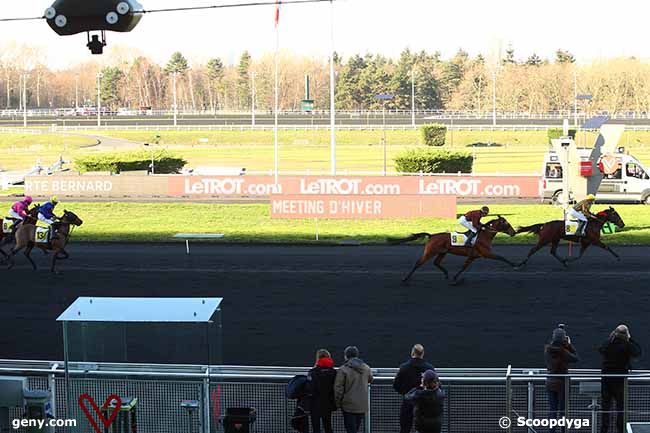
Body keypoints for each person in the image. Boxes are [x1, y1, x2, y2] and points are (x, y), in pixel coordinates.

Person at [599, 325, 642, 433]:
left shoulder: (608, 343)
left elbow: (601, 349)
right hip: (620, 380)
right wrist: (630, 338)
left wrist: (611, 336)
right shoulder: (627, 345)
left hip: (606, 379)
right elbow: (637, 352)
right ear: (626, 334)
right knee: (620, 409)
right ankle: (620, 430)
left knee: (605, 408)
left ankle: (604, 430)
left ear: (615, 332)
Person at [393, 344, 435, 433]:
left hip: (408, 402)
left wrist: (405, 393)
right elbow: (435, 386)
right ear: (422, 354)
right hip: (425, 404)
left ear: (412, 352)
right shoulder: (429, 368)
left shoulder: (404, 367)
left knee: (405, 428)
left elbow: (396, 385)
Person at [544, 326, 579, 432]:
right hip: (563, 383)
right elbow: (576, 358)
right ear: (563, 339)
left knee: (552, 410)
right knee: (563, 411)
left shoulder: (548, 350)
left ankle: (552, 431)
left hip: (550, 382)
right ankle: (563, 430)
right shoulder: (563, 351)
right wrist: (569, 344)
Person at [334, 346, 373, 433]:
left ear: (346, 356)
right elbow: (370, 379)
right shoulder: (366, 368)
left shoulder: (343, 369)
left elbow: (338, 388)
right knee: (356, 428)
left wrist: (337, 403)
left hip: (348, 405)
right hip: (362, 404)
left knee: (350, 429)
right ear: (357, 355)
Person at [308, 349, 337, 433]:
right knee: (328, 427)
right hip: (328, 404)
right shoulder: (333, 372)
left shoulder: (313, 372)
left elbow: (310, 388)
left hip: (315, 404)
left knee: (316, 428)